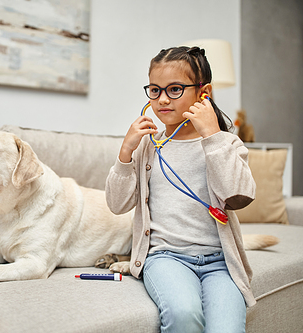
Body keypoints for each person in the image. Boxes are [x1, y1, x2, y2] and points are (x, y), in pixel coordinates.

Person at [105, 46, 256, 333]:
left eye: (175, 89)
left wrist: (212, 137)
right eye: (154, 90)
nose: (162, 99)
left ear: (204, 92)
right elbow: (117, 204)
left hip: (220, 263)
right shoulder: (148, 146)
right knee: (184, 315)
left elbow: (240, 195)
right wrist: (125, 153)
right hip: (166, 258)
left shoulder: (226, 144)